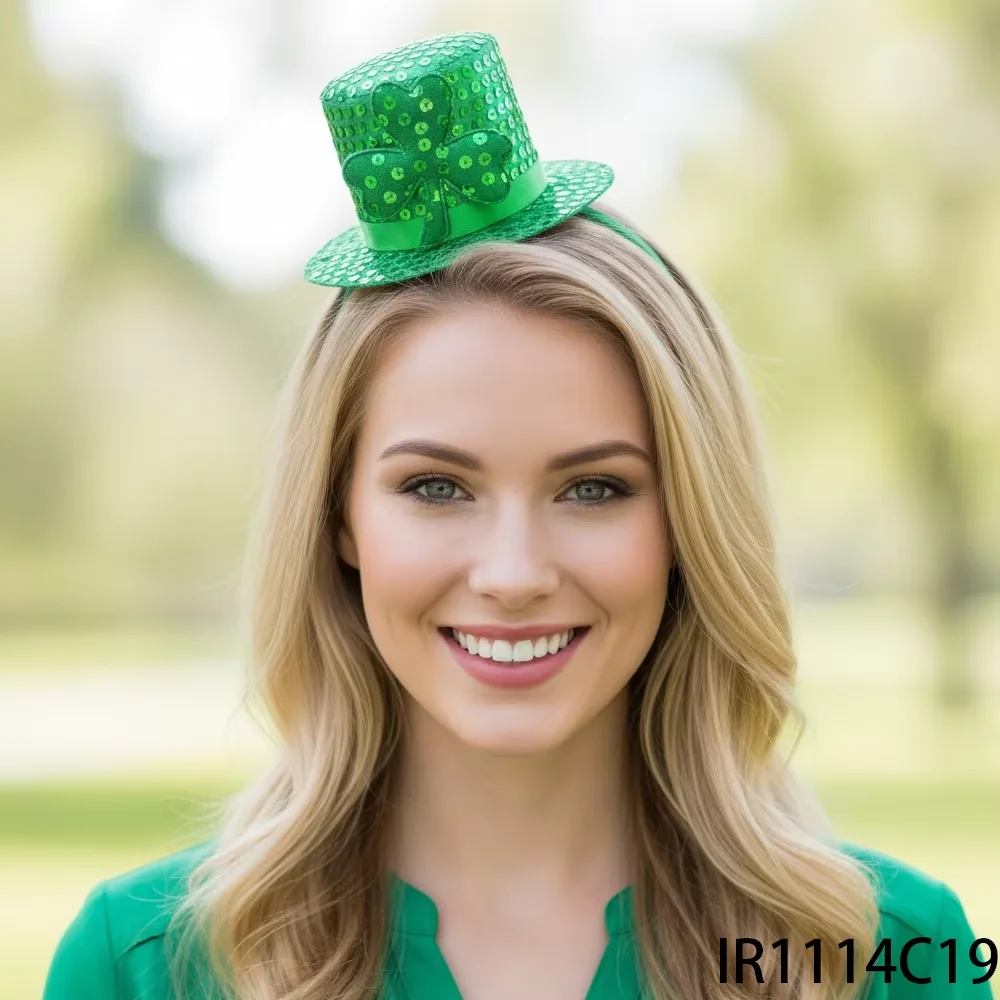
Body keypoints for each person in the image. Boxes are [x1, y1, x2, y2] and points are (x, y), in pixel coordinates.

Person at [42, 30, 993, 1000]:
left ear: (688, 524)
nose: (511, 571)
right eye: (436, 487)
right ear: (337, 518)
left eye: (593, 488)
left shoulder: (899, 953)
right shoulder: (142, 965)